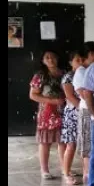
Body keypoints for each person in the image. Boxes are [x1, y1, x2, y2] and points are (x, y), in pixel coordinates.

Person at [28, 50, 65, 179]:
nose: (50, 60)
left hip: (64, 111)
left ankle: (64, 168)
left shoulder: (64, 73)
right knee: (45, 142)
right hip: (47, 113)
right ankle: (45, 170)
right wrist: (52, 101)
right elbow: (32, 95)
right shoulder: (40, 75)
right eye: (47, 57)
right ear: (43, 60)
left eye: (53, 57)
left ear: (58, 58)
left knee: (63, 141)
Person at [73, 41, 94, 186]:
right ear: (91, 54)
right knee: (87, 145)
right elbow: (84, 94)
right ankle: (87, 174)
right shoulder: (82, 71)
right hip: (87, 111)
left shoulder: (93, 69)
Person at [59, 49, 84, 185]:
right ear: (71, 62)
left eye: (82, 59)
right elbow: (69, 96)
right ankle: (66, 172)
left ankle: (84, 172)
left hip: (83, 112)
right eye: (77, 60)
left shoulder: (84, 73)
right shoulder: (69, 76)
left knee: (83, 145)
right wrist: (83, 108)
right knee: (71, 145)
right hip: (73, 113)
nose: (80, 62)